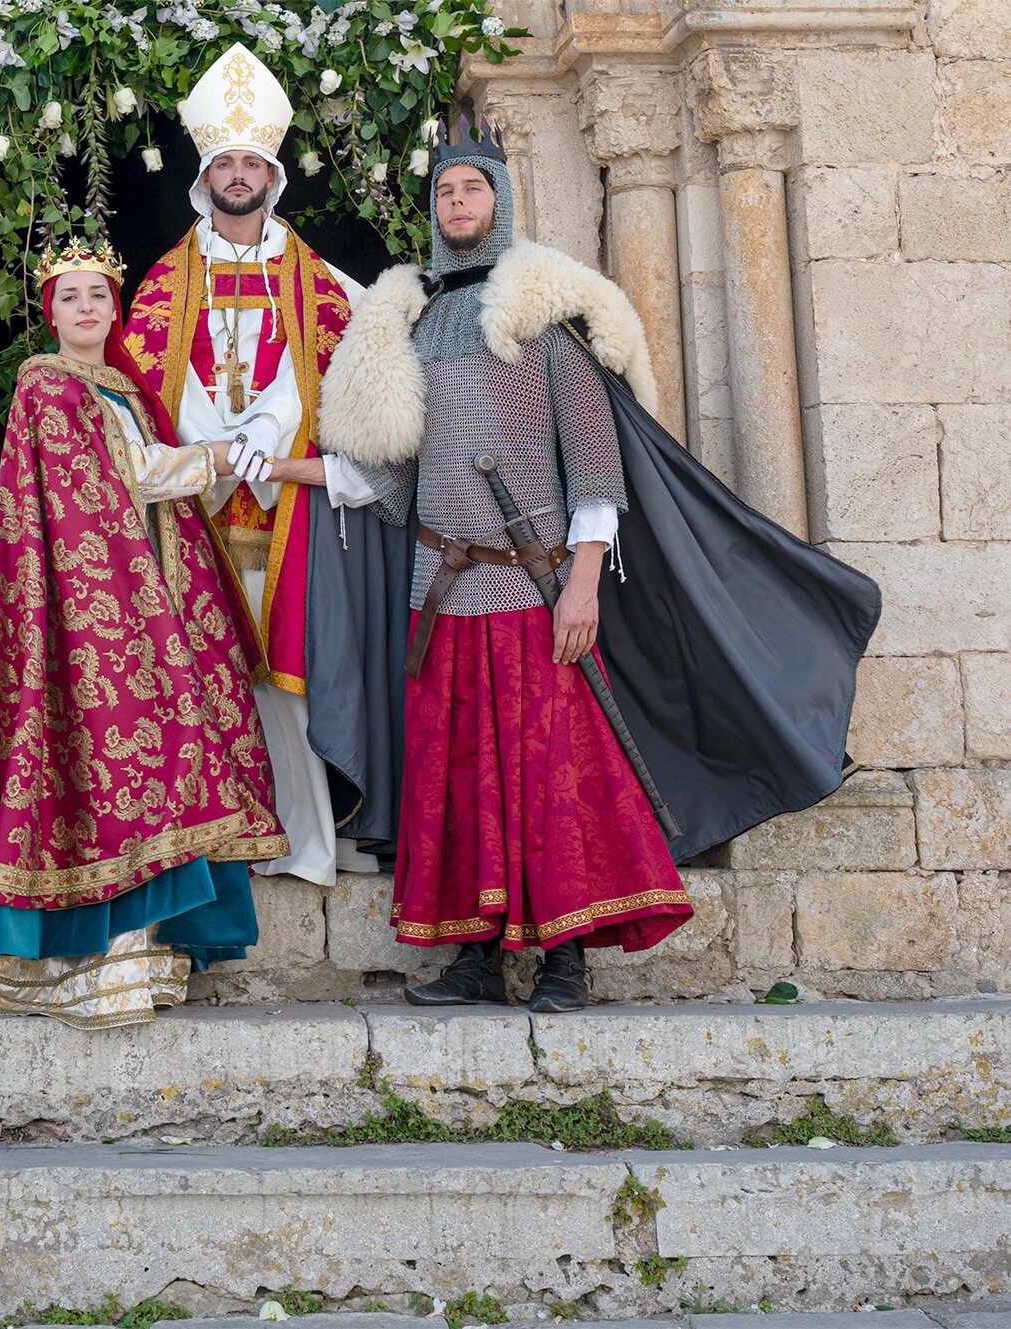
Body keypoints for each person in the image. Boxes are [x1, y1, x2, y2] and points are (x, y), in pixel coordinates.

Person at [318, 119, 879, 1012]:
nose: (458, 203)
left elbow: (594, 462)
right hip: (442, 592)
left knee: (553, 775)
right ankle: (471, 955)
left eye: (473, 189)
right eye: (446, 193)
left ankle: (566, 958)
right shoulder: (415, 323)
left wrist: (582, 582)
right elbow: (383, 469)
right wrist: (263, 463)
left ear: (500, 202)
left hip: (531, 584)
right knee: (458, 776)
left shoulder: (542, 313)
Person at [0, 237, 287, 1029]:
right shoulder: (47, 385)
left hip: (147, 599)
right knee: (101, 753)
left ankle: (148, 953)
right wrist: (217, 456)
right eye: (70, 297)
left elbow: (145, 474)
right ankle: (81, 963)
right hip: (94, 609)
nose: (86, 308)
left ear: (114, 309)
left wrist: (212, 456)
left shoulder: (119, 391)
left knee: (161, 758)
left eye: (98, 294)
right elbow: (91, 497)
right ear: (50, 311)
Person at [124, 42, 410, 888]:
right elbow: (144, 383)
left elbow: (350, 356)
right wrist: (216, 440)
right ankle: (211, 842)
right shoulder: (166, 279)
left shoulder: (316, 276)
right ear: (206, 173)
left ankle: (302, 839)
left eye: (253, 160)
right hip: (199, 512)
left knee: (288, 684)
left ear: (273, 175)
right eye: (227, 161)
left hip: (287, 514)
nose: (240, 173)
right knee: (199, 675)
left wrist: (275, 427)